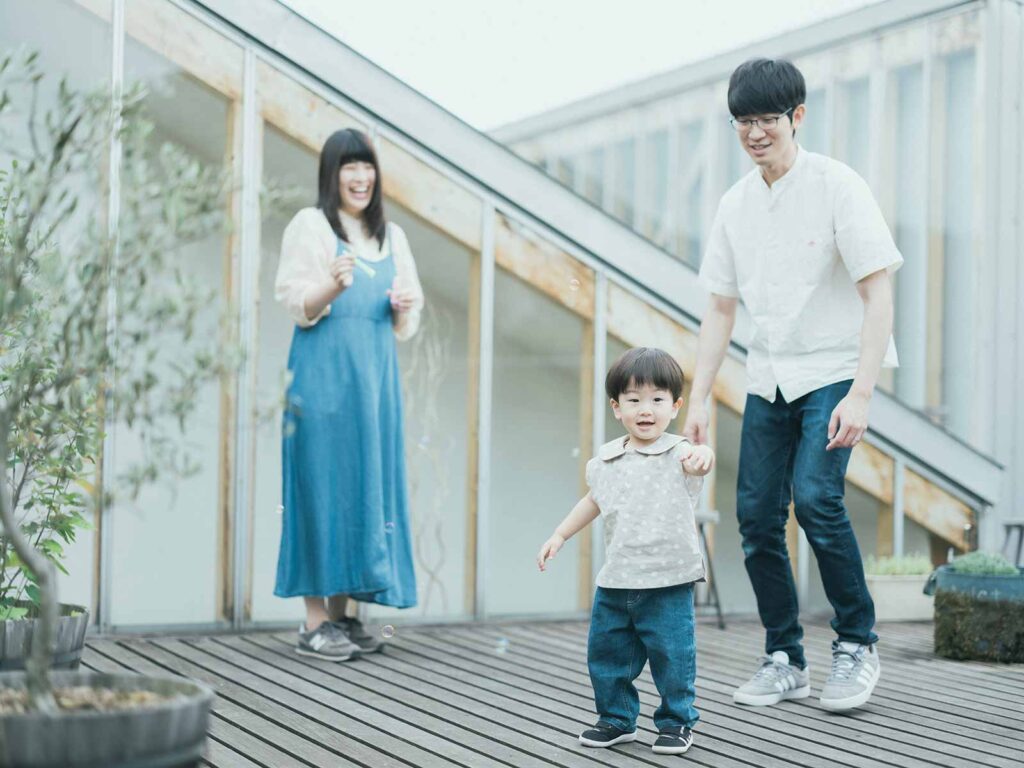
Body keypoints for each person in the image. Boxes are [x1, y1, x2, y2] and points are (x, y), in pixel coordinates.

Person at [683, 58, 902, 712]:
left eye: (768, 119)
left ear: (796, 117)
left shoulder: (838, 185)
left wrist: (862, 393)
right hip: (770, 378)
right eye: (744, 121)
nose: (755, 132)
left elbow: (878, 292)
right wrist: (697, 398)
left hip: (835, 371)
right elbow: (720, 309)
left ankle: (857, 645)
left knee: (816, 500)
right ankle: (784, 657)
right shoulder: (735, 204)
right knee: (754, 518)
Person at [273, 128, 424, 661]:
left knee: (364, 486)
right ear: (331, 174)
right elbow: (297, 304)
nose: (360, 177)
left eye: (367, 167)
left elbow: (406, 324)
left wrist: (404, 304)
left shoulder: (391, 236)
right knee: (320, 486)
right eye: (349, 167)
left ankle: (342, 614)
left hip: (374, 385)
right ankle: (314, 622)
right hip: (322, 379)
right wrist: (334, 285)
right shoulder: (311, 226)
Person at [537, 347, 715, 755]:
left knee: (673, 658)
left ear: (675, 405)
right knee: (607, 656)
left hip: (669, 580)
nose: (646, 409)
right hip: (617, 580)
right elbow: (592, 502)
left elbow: (700, 464)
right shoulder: (607, 459)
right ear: (617, 408)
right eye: (634, 400)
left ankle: (675, 723)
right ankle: (616, 719)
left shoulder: (680, 453)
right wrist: (559, 535)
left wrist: (702, 454)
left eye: (657, 399)